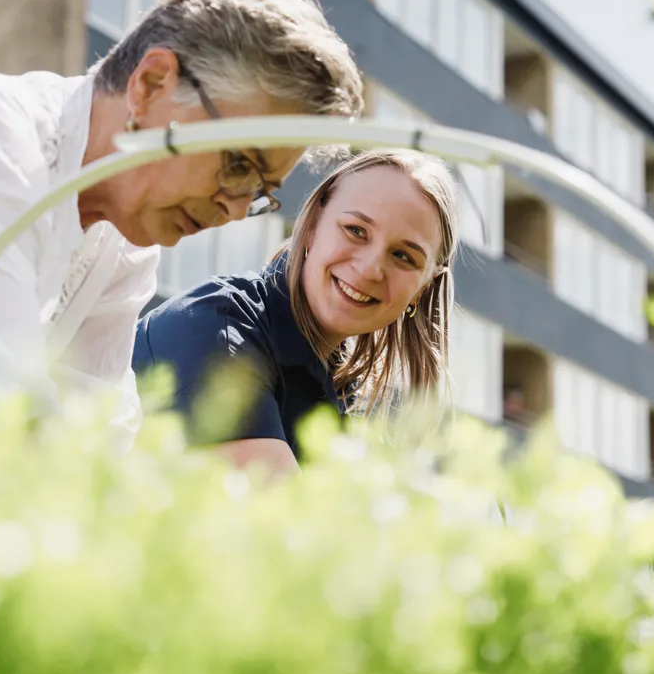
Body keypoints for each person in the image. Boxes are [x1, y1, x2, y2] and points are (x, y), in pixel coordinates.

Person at [0, 0, 364, 445]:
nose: (235, 210)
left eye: (260, 192)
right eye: (237, 165)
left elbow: (105, 434)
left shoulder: (125, 244)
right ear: (152, 84)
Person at [132, 150, 460, 474]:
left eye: (404, 256)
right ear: (315, 222)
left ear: (423, 287)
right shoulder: (219, 330)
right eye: (356, 230)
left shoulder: (340, 394)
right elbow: (283, 516)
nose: (370, 268)